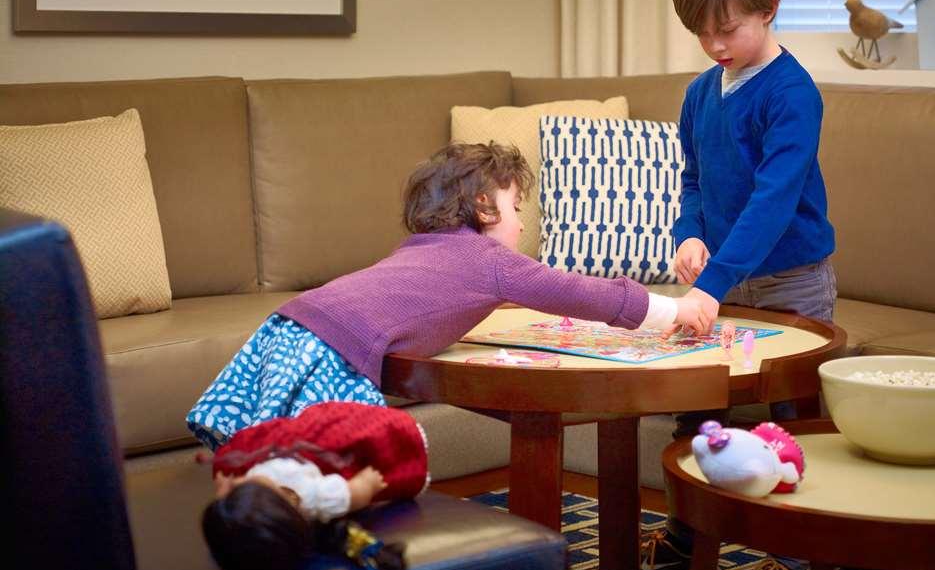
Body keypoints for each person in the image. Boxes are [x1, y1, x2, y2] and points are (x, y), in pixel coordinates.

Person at [186, 141, 705, 453]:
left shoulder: (423, 247)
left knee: (263, 448)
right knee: (350, 465)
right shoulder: (489, 261)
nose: (524, 221)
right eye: (516, 206)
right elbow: (574, 291)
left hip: (286, 325)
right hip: (330, 350)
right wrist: (673, 309)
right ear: (483, 206)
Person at [641, 0, 837, 570]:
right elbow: (693, 180)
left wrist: (712, 279)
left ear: (770, 7)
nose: (715, 44)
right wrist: (688, 234)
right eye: (701, 33)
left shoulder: (792, 94)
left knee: (794, 427)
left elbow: (772, 200)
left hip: (789, 284)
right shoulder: (700, 93)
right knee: (697, 411)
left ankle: (797, 564)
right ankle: (688, 532)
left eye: (727, 29)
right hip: (723, 282)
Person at [201, 400, 428, 570]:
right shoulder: (312, 496)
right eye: (247, 485)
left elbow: (230, 489)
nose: (240, 482)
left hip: (282, 441)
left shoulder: (252, 500)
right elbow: (354, 493)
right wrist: (366, 484)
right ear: (288, 499)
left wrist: (226, 488)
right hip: (318, 448)